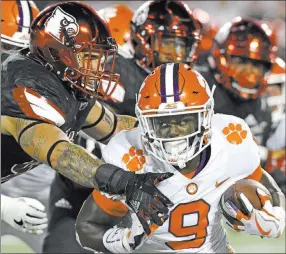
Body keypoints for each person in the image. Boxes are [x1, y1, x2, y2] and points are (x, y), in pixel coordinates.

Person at [1, 2, 174, 248]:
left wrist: (169, 133)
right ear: (57, 52)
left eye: (100, 57)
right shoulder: (26, 85)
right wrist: (124, 182)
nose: (99, 66)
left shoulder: (66, 85)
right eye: (90, 56)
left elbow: (114, 127)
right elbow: (61, 154)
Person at [75, 63, 285, 253]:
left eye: (183, 121)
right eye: (163, 124)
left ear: (206, 118)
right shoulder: (130, 155)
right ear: (145, 124)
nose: (174, 133)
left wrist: (276, 215)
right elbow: (86, 227)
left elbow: (266, 186)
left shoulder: (231, 139)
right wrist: (121, 241)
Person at [1, 1, 51, 252]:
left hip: (36, 203)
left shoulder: (39, 92)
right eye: (5, 49)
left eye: (24, 53)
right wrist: (4, 206)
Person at [195, 18, 275, 162]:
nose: (250, 71)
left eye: (257, 64)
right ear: (221, 56)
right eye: (241, 61)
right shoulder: (196, 85)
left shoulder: (262, 107)